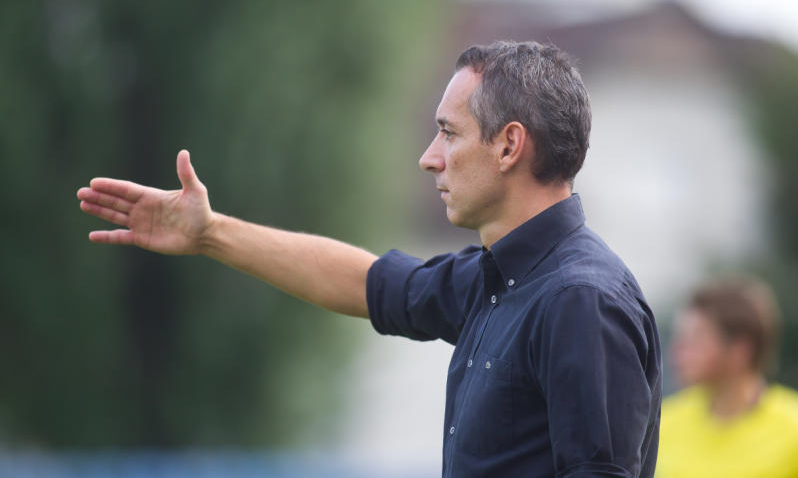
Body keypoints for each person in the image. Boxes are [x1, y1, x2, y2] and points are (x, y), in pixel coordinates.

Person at [77, 40, 662, 477]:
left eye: (448, 133)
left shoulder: (580, 301)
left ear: (509, 145)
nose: (429, 158)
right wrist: (210, 234)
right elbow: (366, 282)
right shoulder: (494, 278)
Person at [657, 276, 798, 478]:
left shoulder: (795, 429)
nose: (677, 351)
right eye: (681, 338)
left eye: (696, 338)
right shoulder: (663, 424)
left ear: (741, 350)